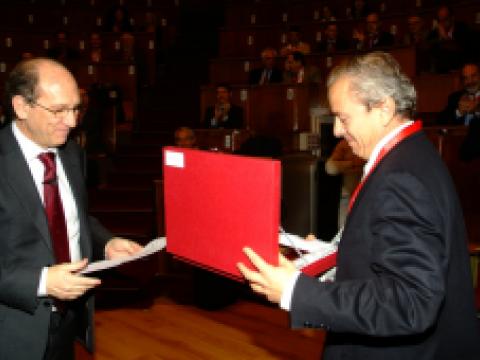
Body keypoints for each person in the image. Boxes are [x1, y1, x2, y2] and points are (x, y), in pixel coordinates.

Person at [238, 52, 480, 359]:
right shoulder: (413, 152)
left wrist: (296, 291)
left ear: (383, 109)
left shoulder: (401, 177)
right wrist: (333, 259)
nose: (337, 130)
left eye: (344, 117)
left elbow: (412, 301)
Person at [0, 57, 143, 360]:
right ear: (21, 107)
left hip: (68, 320)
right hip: (12, 328)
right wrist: (42, 282)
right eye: (58, 110)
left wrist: (106, 243)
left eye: (76, 108)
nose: (72, 121)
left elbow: (74, 216)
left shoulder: (71, 153)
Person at [324, 138, 364, 228]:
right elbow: (329, 168)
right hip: (347, 195)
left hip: (368, 195)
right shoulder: (345, 143)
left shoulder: (376, 142)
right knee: (343, 231)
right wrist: (352, 163)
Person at [427, 4, 474, 73]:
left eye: (445, 19)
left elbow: (462, 49)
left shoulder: (462, 28)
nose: (442, 22)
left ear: (452, 17)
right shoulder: (434, 33)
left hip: (461, 69)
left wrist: (445, 37)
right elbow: (427, 46)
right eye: (440, 20)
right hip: (441, 72)